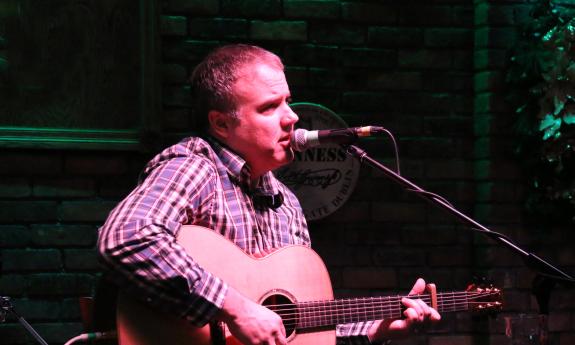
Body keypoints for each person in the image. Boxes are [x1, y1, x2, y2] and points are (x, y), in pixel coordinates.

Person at [97, 44, 441, 345]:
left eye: (287, 102)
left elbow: (292, 328)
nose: (291, 117)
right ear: (221, 124)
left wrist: (379, 329)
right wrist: (234, 308)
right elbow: (125, 238)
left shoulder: (287, 205)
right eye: (269, 107)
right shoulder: (195, 167)